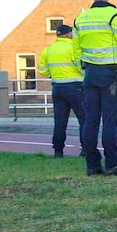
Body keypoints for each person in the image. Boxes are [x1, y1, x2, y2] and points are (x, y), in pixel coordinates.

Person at [72, 0, 117, 176]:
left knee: (91, 121)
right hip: (110, 75)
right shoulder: (115, 17)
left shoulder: (80, 19)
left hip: (90, 74)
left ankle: (92, 165)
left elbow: (75, 50)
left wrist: (82, 68)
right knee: (110, 121)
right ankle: (112, 164)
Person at [36, 24, 85, 158]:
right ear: (69, 34)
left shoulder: (49, 50)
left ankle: (58, 151)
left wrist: (53, 75)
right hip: (76, 87)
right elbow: (80, 65)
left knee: (60, 121)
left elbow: (41, 69)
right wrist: (85, 76)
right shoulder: (72, 47)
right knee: (84, 119)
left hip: (57, 88)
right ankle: (86, 149)